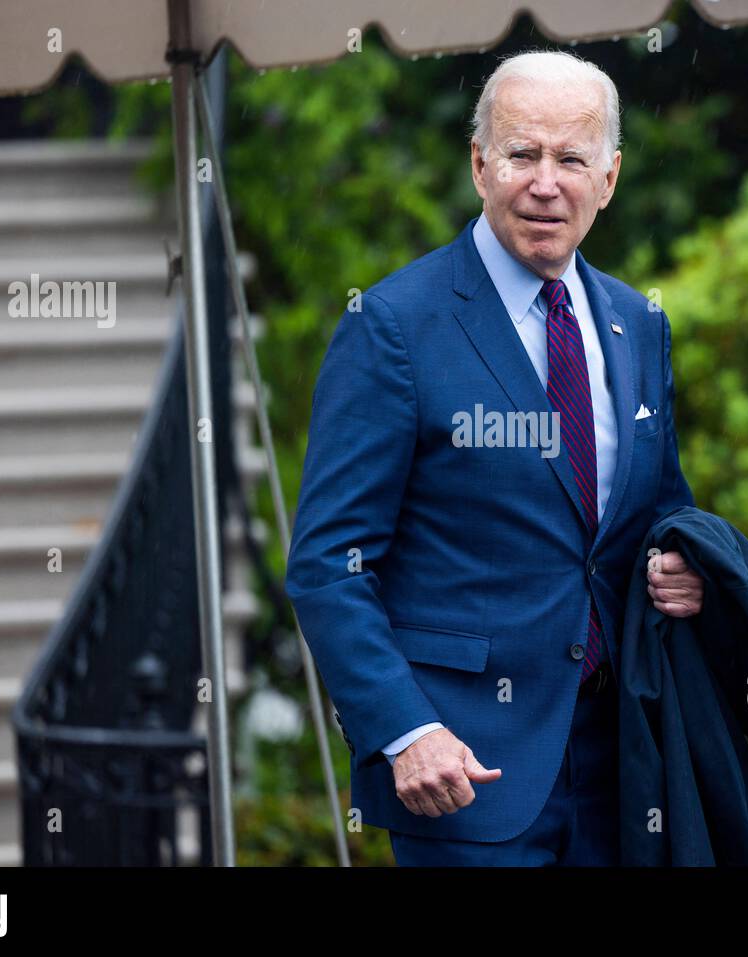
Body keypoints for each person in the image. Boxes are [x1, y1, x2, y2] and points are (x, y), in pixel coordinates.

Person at [285, 49, 704, 866]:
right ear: (480, 165)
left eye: (571, 158)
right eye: (522, 153)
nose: (545, 182)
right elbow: (329, 564)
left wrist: (681, 561)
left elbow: (656, 511)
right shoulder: (394, 325)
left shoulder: (637, 321)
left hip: (623, 763)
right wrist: (405, 730)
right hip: (461, 772)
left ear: (609, 179)